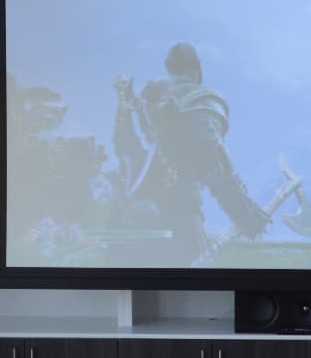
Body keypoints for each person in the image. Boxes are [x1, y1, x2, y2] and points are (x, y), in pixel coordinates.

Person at [112, 42, 270, 262]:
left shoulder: (151, 99)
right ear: (197, 66)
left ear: (169, 66)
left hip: (139, 215)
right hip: (180, 219)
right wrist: (245, 215)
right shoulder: (198, 100)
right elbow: (217, 165)